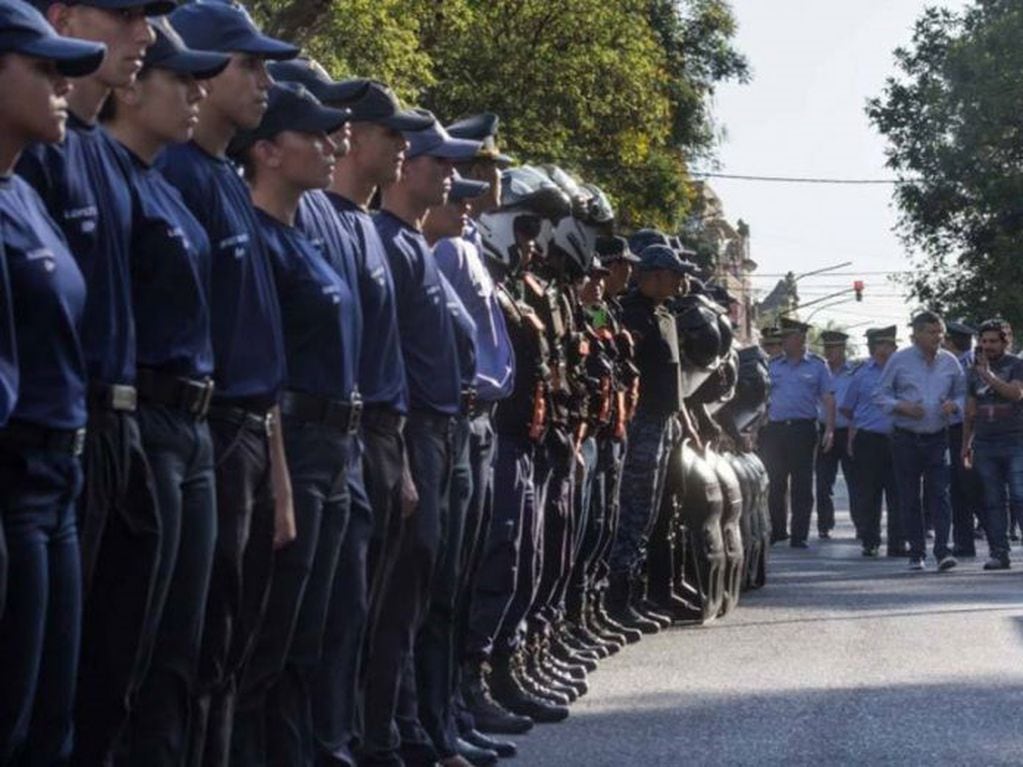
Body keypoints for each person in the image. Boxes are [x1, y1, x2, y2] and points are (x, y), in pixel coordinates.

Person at [16, 0, 174, 758]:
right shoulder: (34, 159)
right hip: (37, 449)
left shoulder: (99, 154)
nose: (142, 33)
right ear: (64, 12)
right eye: (125, 13)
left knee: (98, 675)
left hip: (100, 434)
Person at [160, 2, 300, 761]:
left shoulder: (219, 176)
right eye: (248, 64)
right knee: (184, 651)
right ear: (203, 69)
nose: (263, 80)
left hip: (244, 434)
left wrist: (275, 472)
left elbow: (257, 345)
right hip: (200, 434)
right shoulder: (176, 171)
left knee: (226, 648)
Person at [100, 21, 228, 764]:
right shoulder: (100, 164)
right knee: (126, 645)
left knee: (181, 640)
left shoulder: (166, 179)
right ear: (131, 90)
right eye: (181, 80)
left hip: (194, 421)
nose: (195, 94)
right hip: (139, 416)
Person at [0, 3, 103, 760]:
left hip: (59, 480)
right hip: (13, 483)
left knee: (52, 719)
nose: (65, 84)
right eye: (44, 69)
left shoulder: (26, 194)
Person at [367, 111, 480, 767]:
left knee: (424, 592)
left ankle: (414, 729)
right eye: (438, 161)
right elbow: (387, 358)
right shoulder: (385, 238)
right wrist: (407, 455)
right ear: (404, 165)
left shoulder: (415, 242)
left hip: (441, 431)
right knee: (398, 598)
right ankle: (397, 736)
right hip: (411, 435)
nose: (451, 175)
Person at [605, 244, 689, 626]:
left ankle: (637, 594)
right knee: (633, 510)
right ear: (653, 275)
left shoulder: (666, 317)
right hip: (640, 424)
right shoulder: (632, 315)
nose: (679, 280)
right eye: (673, 274)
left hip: (664, 421)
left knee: (651, 512)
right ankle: (619, 598)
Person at [876, 310, 965, 571]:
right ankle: (916, 552)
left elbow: (961, 395)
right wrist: (900, 406)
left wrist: (954, 406)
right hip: (906, 438)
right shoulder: (899, 360)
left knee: (941, 495)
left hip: (938, 437)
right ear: (916, 335)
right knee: (910, 496)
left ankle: (942, 552)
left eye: (940, 332)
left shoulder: (950, 362)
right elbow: (880, 395)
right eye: (931, 332)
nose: (937, 337)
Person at [759, 318, 835, 548]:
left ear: (800, 339)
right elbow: (762, 399)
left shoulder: (818, 365)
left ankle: (799, 534)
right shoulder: (772, 365)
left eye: (788, 338)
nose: (783, 342)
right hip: (775, 430)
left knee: (802, 484)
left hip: (804, 430)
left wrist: (830, 430)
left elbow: (828, 399)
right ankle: (778, 530)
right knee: (775, 482)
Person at [961, 318, 1023, 570]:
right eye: (983, 341)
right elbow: (970, 412)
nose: (987, 346)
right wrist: (965, 445)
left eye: (993, 341)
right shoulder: (971, 372)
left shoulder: (1016, 365)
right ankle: (999, 552)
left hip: (1016, 440)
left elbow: (1016, 394)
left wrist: (987, 374)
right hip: (985, 443)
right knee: (993, 500)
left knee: (1020, 496)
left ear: (1005, 341)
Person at [841, 326, 903, 557]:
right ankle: (870, 540)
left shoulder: (903, 372)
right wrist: (866, 420)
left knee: (898, 493)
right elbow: (847, 408)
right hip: (869, 440)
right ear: (874, 347)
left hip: (898, 438)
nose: (885, 350)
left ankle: (898, 542)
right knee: (869, 493)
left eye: (889, 345)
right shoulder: (861, 374)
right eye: (880, 345)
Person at [945, 320, 981, 555]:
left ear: (950, 341)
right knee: (958, 489)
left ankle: (997, 542)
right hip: (955, 431)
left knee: (971, 488)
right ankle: (963, 542)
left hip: (967, 432)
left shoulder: (967, 366)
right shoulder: (956, 363)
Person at [815, 329, 856, 540]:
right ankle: (824, 525)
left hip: (849, 431)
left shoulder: (854, 372)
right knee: (823, 482)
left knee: (855, 482)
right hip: (824, 430)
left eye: (834, 348)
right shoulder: (819, 370)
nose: (830, 352)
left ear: (843, 348)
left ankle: (861, 523)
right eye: (827, 348)